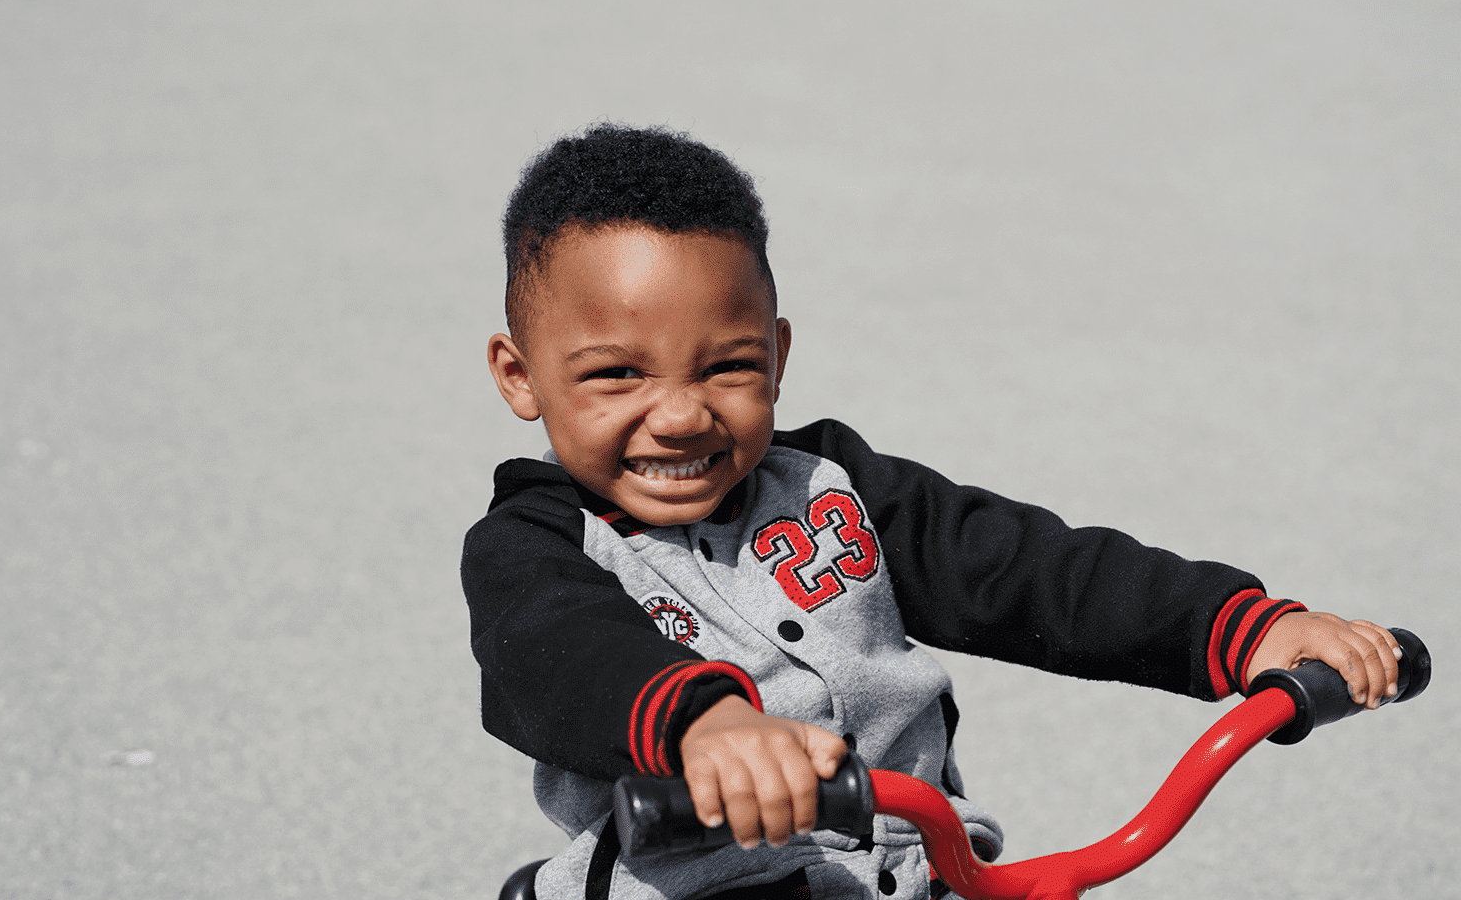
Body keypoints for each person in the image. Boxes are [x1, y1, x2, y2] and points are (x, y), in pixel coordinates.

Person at [461, 123, 1401, 900]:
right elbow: (562, 654)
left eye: (728, 366)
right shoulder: (537, 549)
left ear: (777, 357)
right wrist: (707, 729)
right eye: (617, 375)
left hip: (919, 868)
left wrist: (1241, 630)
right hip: (700, 881)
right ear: (521, 375)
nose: (679, 413)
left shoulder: (836, 491)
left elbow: (1035, 573)